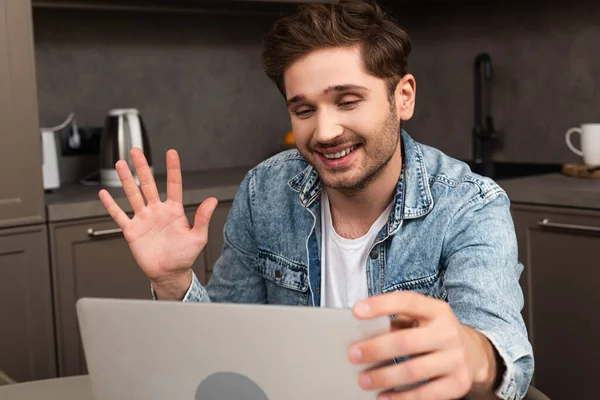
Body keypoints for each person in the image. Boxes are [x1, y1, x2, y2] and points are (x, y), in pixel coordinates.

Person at [98, 0, 533, 399]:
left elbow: (504, 356)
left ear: (403, 97)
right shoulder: (264, 192)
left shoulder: (470, 205)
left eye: (347, 101)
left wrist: (476, 355)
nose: (325, 133)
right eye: (304, 110)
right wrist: (174, 281)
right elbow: (223, 348)